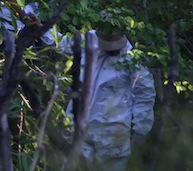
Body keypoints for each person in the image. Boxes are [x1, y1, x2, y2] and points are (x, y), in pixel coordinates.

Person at [66, 26, 156, 170]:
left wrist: (139, 132)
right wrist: (39, 28)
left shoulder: (132, 61)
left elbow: (145, 96)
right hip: (80, 132)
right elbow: (61, 43)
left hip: (113, 138)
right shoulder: (88, 46)